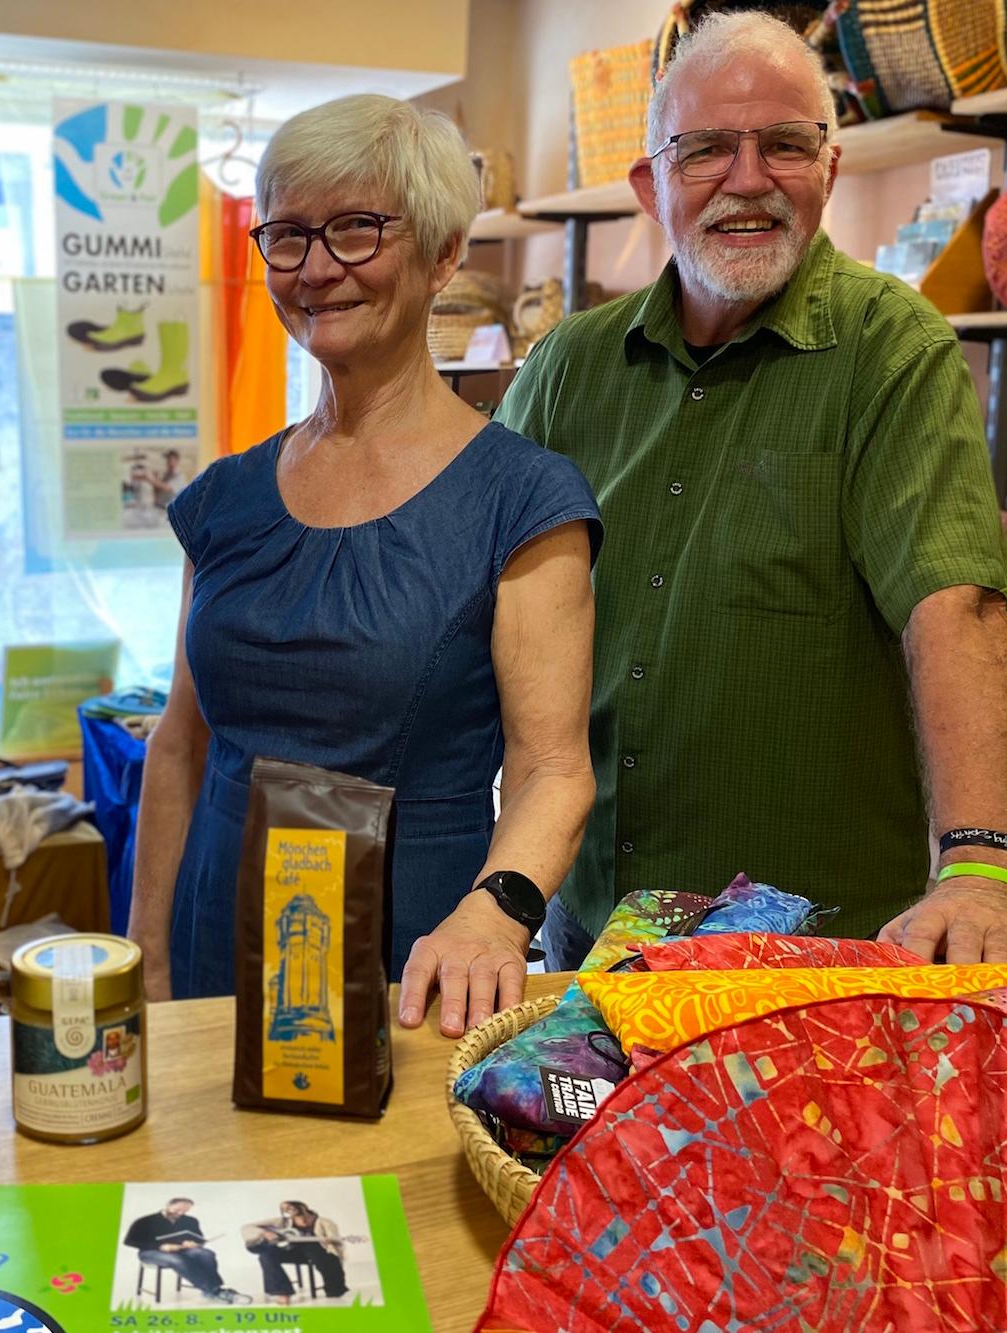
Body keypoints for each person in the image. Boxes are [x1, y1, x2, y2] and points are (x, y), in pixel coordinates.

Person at [495, 12, 1007, 967]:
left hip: (808, 952)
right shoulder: (567, 369)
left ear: (829, 169)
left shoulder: (889, 350)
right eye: (705, 149)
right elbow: (482, 596)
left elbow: (953, 602)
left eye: (784, 144)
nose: (748, 179)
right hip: (582, 920)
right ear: (649, 185)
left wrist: (982, 861)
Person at [126, 94, 602, 1038]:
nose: (316, 269)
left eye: (356, 230)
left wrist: (495, 913)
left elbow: (553, 771)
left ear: (441, 254)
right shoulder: (223, 499)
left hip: (417, 954)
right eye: (291, 235)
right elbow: (179, 744)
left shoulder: (522, 498)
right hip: (217, 930)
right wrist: (147, 951)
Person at [123, 1197, 248, 1305]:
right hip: (150, 1252)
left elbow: (199, 1239)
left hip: (181, 1250)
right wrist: (161, 1246)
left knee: (206, 1254)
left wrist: (193, 1243)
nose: (181, 1213)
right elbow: (129, 1241)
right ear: (168, 1205)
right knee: (177, 1260)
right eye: (177, 1210)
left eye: (185, 1210)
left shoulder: (190, 1220)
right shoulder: (145, 1221)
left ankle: (213, 1290)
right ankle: (213, 1291)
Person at [241, 1201, 348, 1305]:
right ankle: (282, 1292)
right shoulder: (282, 1221)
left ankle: (334, 1288)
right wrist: (265, 1233)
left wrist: (329, 1241)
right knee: (265, 1255)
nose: (288, 1209)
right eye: (284, 1208)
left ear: (302, 1205)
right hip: (293, 1251)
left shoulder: (325, 1221)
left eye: (290, 1205)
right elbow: (246, 1227)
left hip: (317, 1252)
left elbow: (335, 1241)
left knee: (317, 1250)